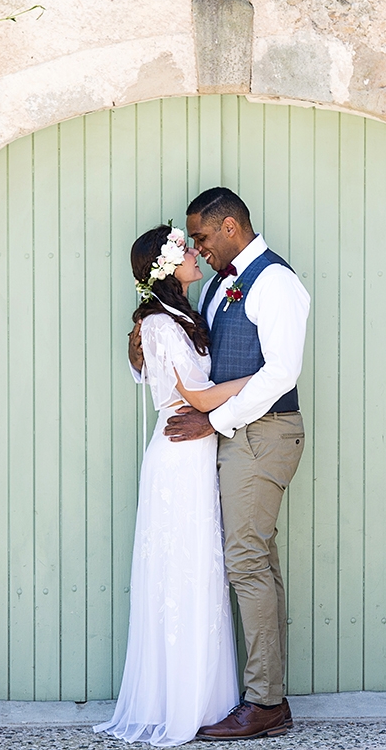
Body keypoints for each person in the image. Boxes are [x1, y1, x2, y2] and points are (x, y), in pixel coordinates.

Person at [133, 187, 311, 741]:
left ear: (231, 226)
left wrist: (214, 420)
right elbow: (191, 359)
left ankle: (264, 703)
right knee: (255, 562)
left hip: (263, 434)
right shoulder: (218, 287)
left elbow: (281, 373)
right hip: (233, 437)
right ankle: (265, 697)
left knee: (246, 565)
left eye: (204, 237)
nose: (199, 248)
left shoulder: (276, 283)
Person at [95, 225, 248, 747]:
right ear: (165, 265)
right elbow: (198, 399)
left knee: (202, 568)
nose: (194, 254)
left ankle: (204, 697)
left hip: (199, 455)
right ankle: (179, 702)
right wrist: (267, 379)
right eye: (184, 249)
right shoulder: (159, 324)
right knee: (184, 569)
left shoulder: (185, 313)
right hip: (179, 458)